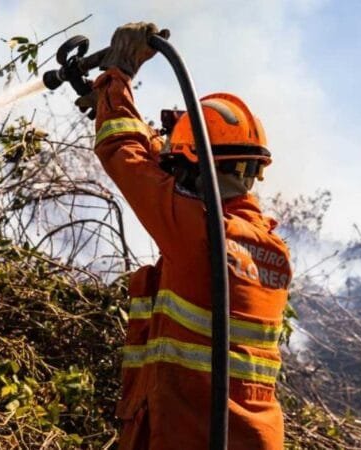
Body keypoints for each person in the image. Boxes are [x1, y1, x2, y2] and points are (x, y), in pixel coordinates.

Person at [80, 23, 292, 450]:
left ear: (196, 168)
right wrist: (108, 100)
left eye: (178, 165)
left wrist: (119, 74)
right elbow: (160, 168)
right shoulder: (271, 249)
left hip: (188, 437)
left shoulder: (200, 232)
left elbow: (124, 154)